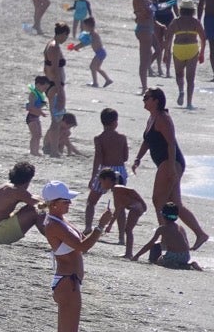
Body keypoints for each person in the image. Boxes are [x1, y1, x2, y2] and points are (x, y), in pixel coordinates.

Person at [39, 181, 113, 332]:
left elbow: (79, 240)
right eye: (65, 201)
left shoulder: (59, 220)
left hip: (68, 280)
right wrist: (100, 226)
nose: (70, 203)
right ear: (53, 204)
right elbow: (83, 246)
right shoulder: (53, 224)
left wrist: (100, 226)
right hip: (67, 281)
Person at [132, 88, 208, 249]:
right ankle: (200, 234)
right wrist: (138, 158)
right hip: (165, 162)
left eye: (147, 98)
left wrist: (172, 168)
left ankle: (166, 237)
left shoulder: (163, 118)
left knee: (158, 200)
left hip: (170, 161)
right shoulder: (151, 117)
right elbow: (147, 141)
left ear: (156, 100)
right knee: (175, 204)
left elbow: (171, 143)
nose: (144, 100)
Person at [85, 108, 131, 231]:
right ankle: (121, 235)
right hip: (119, 170)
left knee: (91, 202)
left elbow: (98, 158)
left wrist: (93, 176)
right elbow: (125, 157)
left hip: (105, 170)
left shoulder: (99, 138)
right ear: (115, 122)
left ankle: (88, 227)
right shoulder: (122, 138)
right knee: (120, 205)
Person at [0, 160, 41, 244]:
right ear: (28, 180)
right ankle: (56, 239)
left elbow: (33, 199)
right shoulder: (16, 191)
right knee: (37, 211)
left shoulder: (7, 187)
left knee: (33, 208)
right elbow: (40, 204)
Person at [93, 167, 148, 257]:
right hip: (135, 207)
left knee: (128, 230)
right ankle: (128, 253)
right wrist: (110, 225)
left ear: (107, 180)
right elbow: (118, 210)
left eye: (101, 182)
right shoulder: (115, 191)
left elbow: (132, 191)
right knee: (128, 229)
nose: (101, 185)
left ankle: (129, 253)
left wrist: (142, 203)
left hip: (136, 207)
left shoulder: (117, 188)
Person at [132, 203, 203, 269]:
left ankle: (173, 264)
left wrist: (137, 256)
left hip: (173, 256)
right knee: (167, 251)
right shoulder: (180, 227)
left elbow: (150, 244)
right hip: (186, 256)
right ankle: (188, 265)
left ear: (163, 215)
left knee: (159, 257)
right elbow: (186, 244)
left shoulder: (162, 229)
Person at [164, 4, 207, 109]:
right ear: (192, 11)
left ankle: (181, 91)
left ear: (181, 10)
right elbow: (203, 38)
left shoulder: (176, 21)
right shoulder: (196, 22)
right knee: (190, 78)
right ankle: (189, 103)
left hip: (179, 48)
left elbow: (168, 38)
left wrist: (166, 53)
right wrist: (202, 53)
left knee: (179, 74)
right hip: (192, 48)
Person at [131, 0, 155, 93]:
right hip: (144, 29)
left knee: (148, 56)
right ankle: (144, 86)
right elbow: (141, 14)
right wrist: (151, 10)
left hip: (147, 28)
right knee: (144, 59)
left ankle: (145, 84)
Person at [43, 22, 70, 119]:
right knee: (57, 120)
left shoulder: (50, 45)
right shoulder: (55, 48)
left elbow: (46, 68)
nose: (66, 39)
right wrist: (59, 89)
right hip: (55, 85)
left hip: (51, 84)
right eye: (66, 36)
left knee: (55, 119)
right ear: (62, 34)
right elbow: (55, 69)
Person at [24, 75, 53, 156]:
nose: (45, 90)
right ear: (38, 85)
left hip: (36, 117)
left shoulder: (39, 94)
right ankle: (33, 151)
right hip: (31, 117)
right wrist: (41, 112)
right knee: (35, 135)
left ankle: (36, 150)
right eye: (44, 88)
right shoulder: (33, 94)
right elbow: (30, 107)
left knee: (39, 135)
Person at [79, 17, 111, 89]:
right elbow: (85, 43)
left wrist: (77, 47)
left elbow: (85, 43)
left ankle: (95, 83)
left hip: (100, 52)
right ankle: (108, 80)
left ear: (88, 26)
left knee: (92, 67)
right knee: (96, 68)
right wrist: (77, 47)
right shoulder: (92, 33)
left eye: (84, 26)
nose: (83, 27)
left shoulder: (93, 34)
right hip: (101, 52)